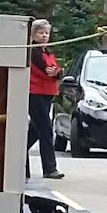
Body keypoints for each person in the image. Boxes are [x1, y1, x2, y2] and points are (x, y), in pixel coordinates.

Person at [27, 19, 64, 181]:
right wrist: (57, 72)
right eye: (40, 33)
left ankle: (17, 158)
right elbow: (46, 71)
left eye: (46, 33)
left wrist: (57, 72)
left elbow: (57, 71)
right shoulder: (33, 52)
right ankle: (50, 168)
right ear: (33, 35)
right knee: (46, 130)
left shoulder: (47, 51)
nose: (44, 35)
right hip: (35, 93)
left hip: (47, 94)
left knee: (35, 131)